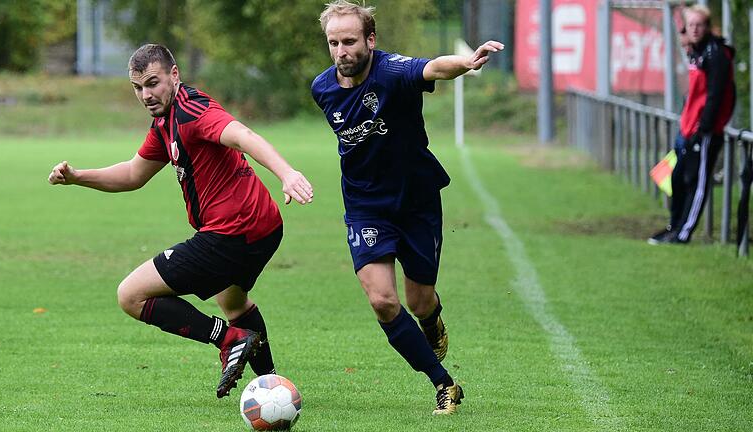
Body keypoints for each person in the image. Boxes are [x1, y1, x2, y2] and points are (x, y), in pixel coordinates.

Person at [47, 44, 313, 398]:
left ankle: (227, 339)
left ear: (174, 75)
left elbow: (243, 136)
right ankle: (275, 388)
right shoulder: (164, 121)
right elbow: (132, 174)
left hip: (231, 232)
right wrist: (78, 176)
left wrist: (286, 172)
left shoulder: (192, 111)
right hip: (262, 226)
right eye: (137, 87)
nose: (145, 94)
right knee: (234, 303)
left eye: (153, 83)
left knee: (131, 295)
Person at [311, 0, 503, 415]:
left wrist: (468, 63)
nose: (341, 51)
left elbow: (433, 67)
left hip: (417, 202)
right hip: (365, 207)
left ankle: (432, 320)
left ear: (370, 40)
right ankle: (444, 384)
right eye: (333, 43)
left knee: (419, 301)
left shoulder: (393, 70)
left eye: (349, 41)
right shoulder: (322, 88)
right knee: (382, 300)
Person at [648, 5, 735, 245]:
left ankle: (683, 233)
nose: (694, 30)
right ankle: (673, 226)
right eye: (690, 25)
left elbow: (717, 95)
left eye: (699, 25)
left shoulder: (715, 54)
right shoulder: (696, 52)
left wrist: (704, 128)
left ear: (707, 27)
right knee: (676, 178)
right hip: (688, 128)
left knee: (697, 182)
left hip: (703, 132)